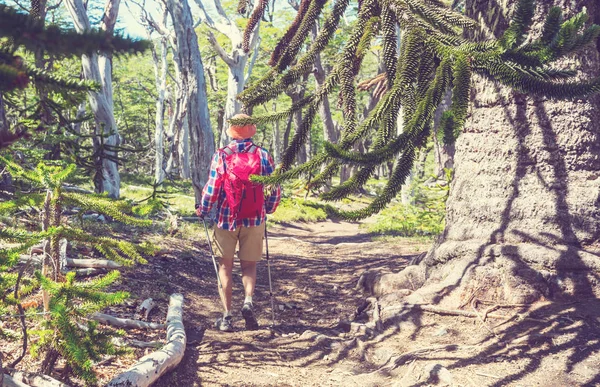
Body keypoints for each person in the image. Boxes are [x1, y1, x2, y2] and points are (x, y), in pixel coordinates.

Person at [196, 113, 281, 332]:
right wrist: (268, 209)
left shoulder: (222, 154)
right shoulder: (263, 155)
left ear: (231, 132)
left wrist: (203, 209)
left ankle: (226, 317)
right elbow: (274, 187)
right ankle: (248, 301)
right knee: (249, 265)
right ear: (251, 130)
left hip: (226, 219)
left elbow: (213, 187)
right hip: (254, 219)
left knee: (225, 265)